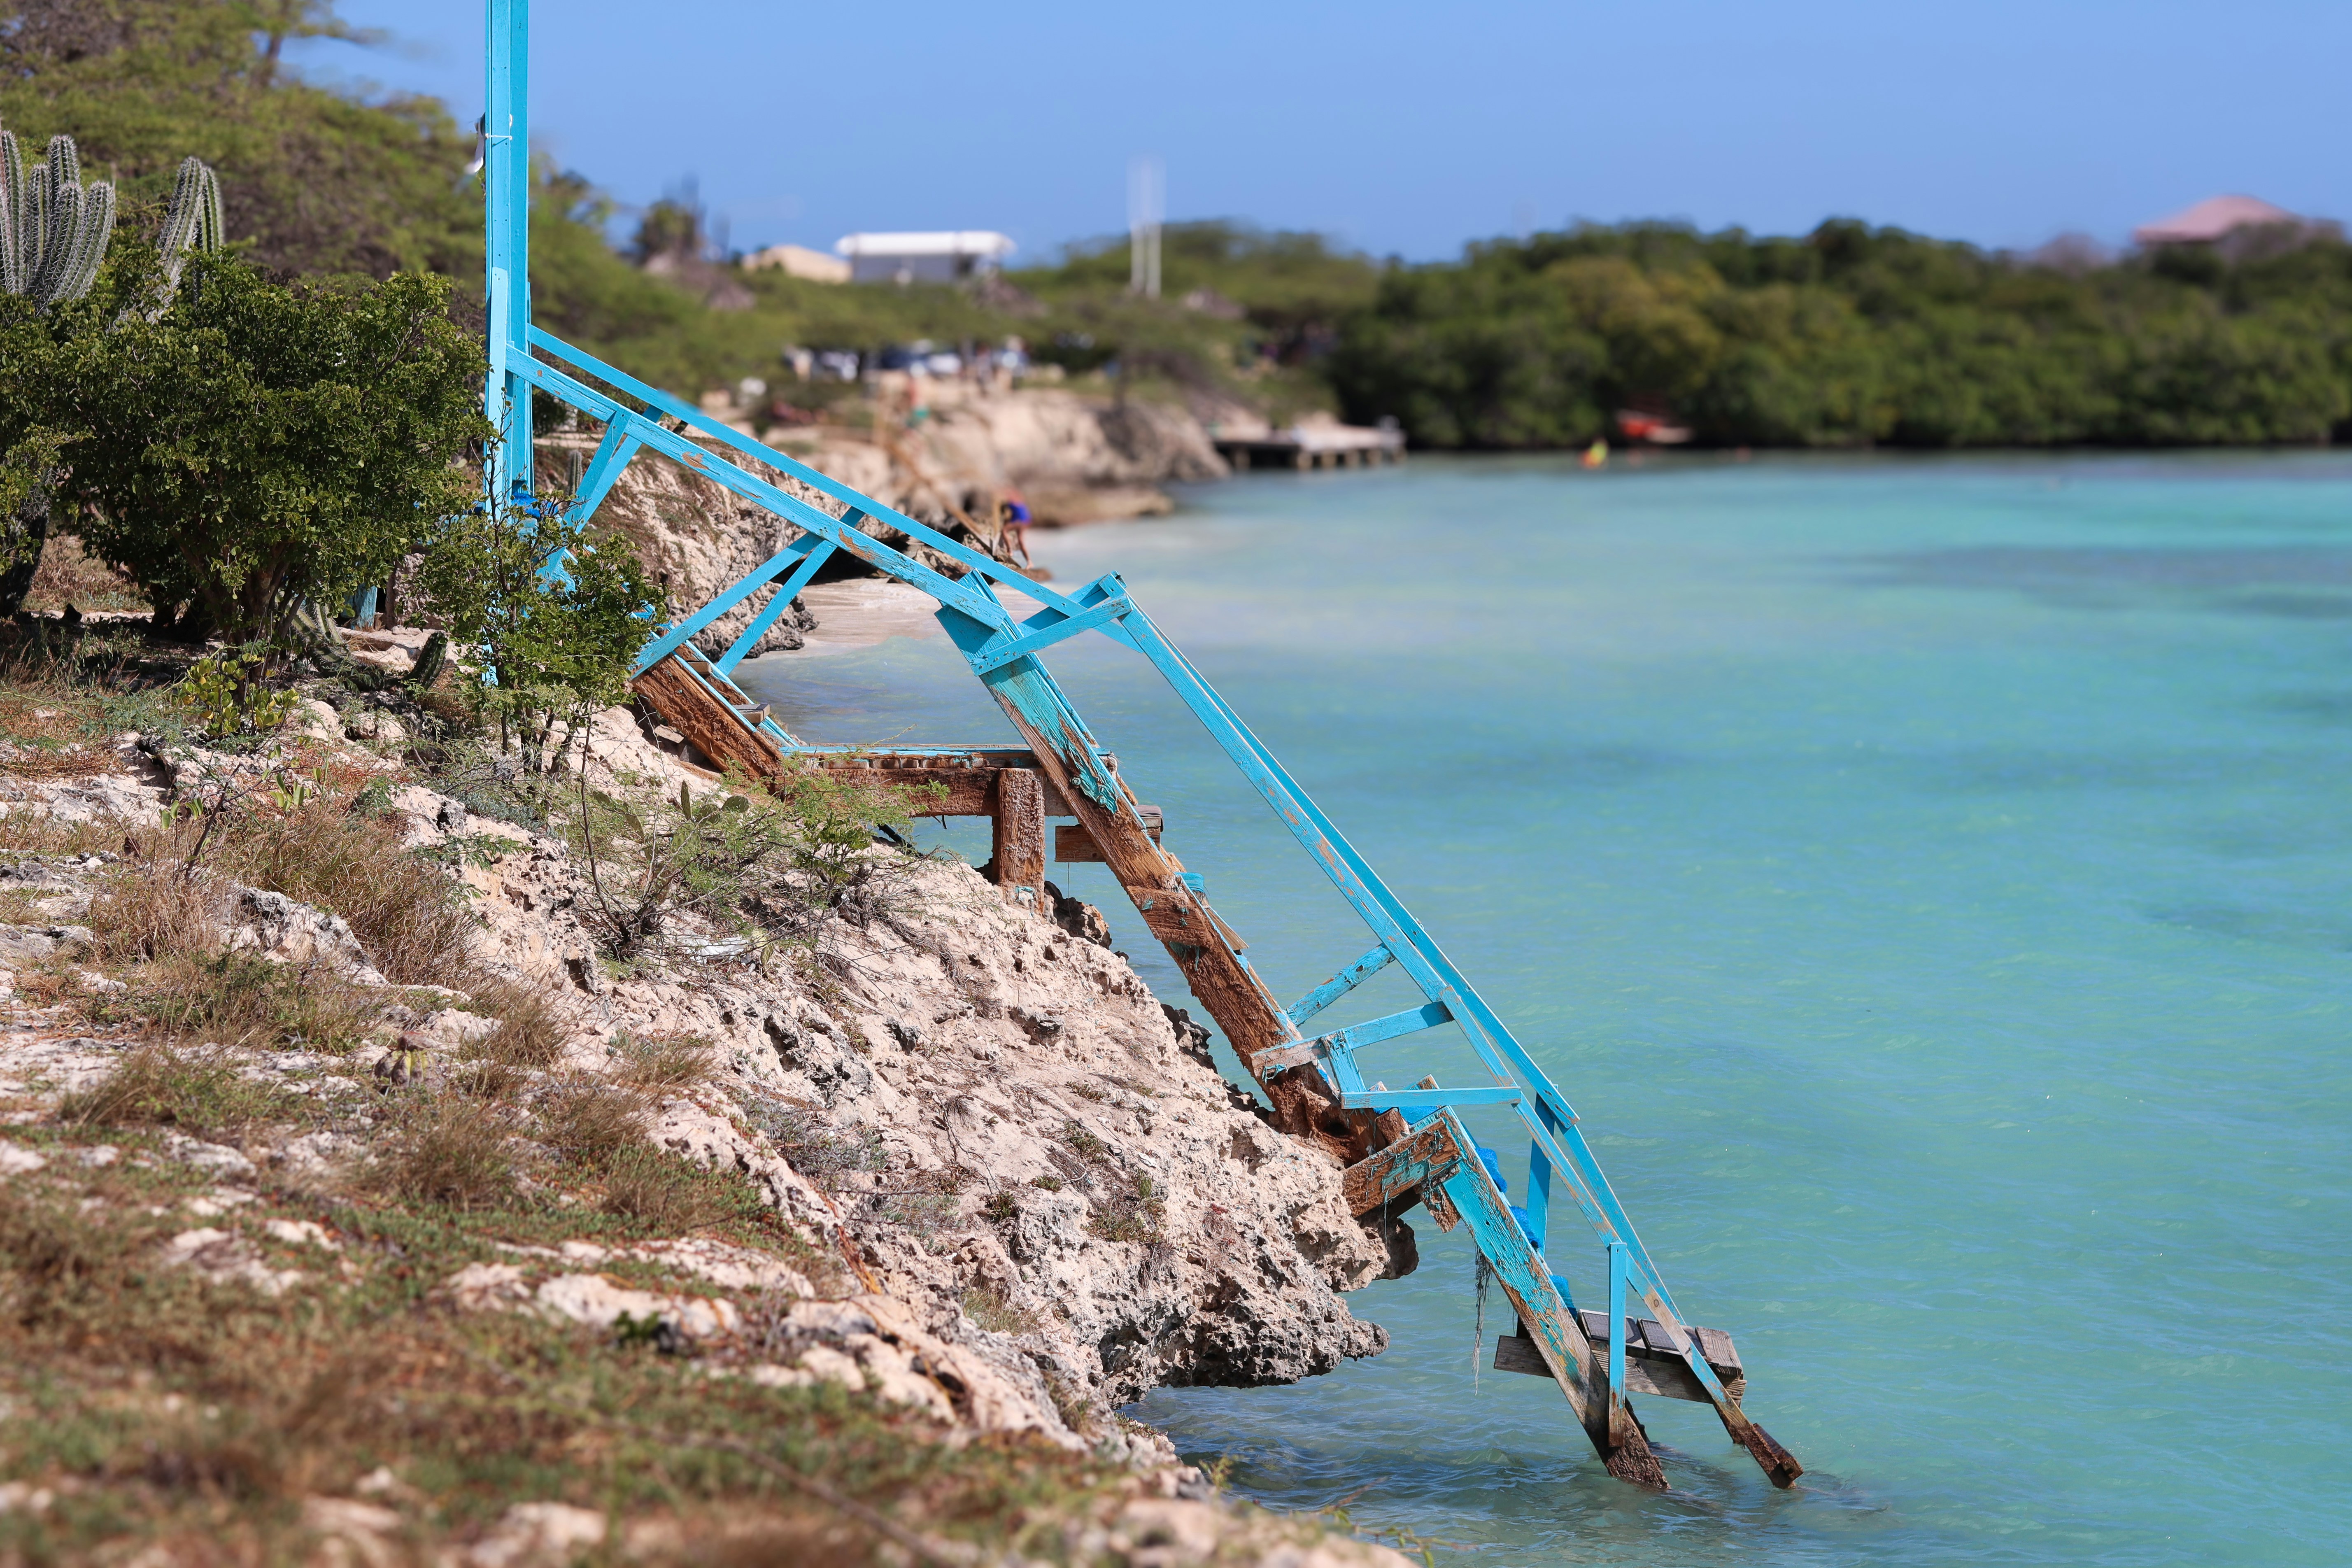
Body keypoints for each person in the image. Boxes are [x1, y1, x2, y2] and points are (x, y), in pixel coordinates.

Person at [997, 491, 1033, 565]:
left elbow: (1003, 508)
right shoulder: (1022, 505)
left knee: (1004, 530)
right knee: (1021, 542)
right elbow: (1027, 517)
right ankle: (1029, 562)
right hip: (1025, 523)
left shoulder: (1012, 504)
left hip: (1018, 523)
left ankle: (1010, 550)